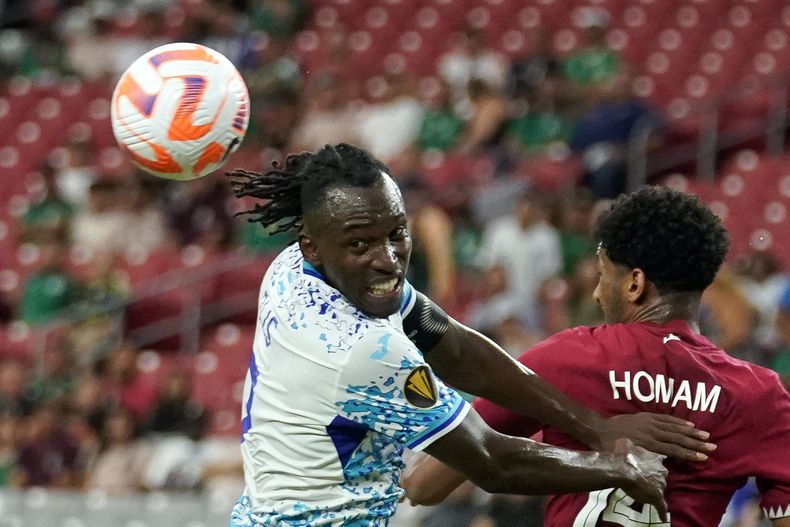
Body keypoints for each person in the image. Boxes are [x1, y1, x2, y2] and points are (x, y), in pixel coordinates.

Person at [225, 144, 713, 526]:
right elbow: (490, 461)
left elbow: (450, 344)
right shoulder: (362, 349)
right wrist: (622, 468)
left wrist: (594, 425)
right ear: (313, 246)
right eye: (360, 244)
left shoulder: (293, 270)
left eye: (396, 233)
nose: (389, 259)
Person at [403, 187, 790, 527]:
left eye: (604, 276)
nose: (595, 294)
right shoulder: (759, 395)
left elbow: (426, 484)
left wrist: (574, 440)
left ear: (634, 284)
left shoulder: (568, 357)